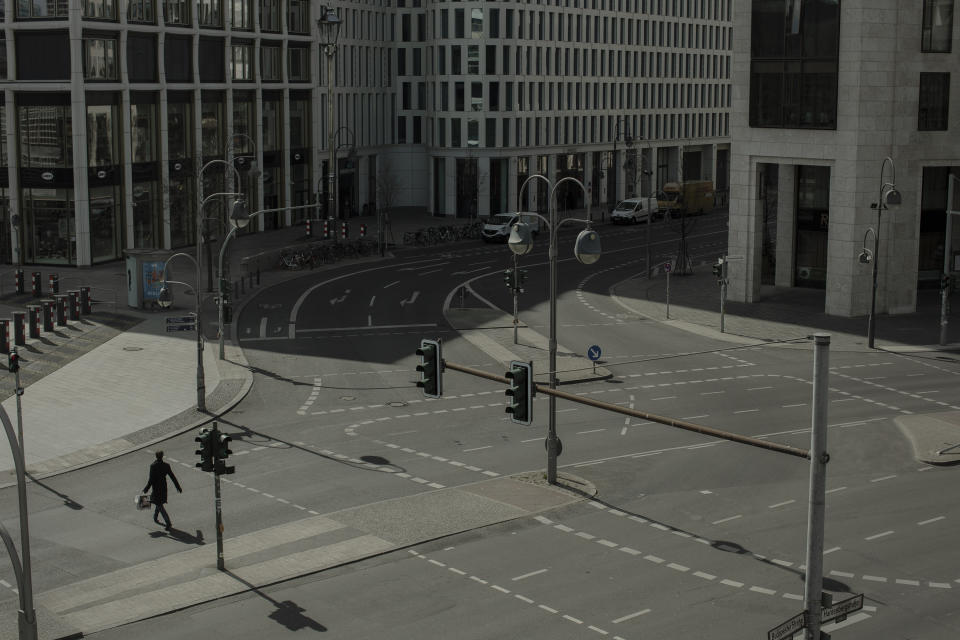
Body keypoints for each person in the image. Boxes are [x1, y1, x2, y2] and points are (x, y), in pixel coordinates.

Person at [143, 450, 182, 529]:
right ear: (162, 456)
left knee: (158, 504)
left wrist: (146, 488)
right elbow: (172, 477)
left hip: (156, 489)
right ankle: (155, 517)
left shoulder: (153, 466)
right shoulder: (166, 465)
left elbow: (151, 479)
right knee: (157, 502)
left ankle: (168, 522)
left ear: (156, 456)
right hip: (163, 488)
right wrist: (178, 487)